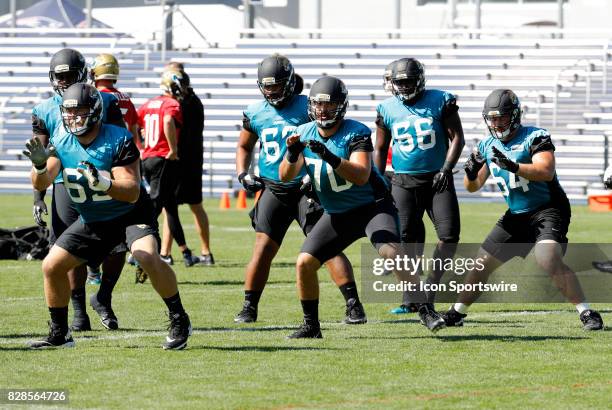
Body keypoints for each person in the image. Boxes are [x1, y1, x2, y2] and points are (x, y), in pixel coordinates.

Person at [25, 83, 192, 349]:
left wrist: (104, 183)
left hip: (129, 214)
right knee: (51, 266)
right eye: (68, 113)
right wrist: (39, 165)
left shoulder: (118, 138)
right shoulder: (62, 140)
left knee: (145, 255)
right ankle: (60, 333)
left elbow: (131, 192)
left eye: (78, 112)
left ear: (94, 112)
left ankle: (179, 317)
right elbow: (42, 182)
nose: (72, 118)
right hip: (93, 219)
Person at [279, 76, 446, 338]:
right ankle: (311, 326)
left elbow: (360, 174)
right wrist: (291, 154)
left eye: (329, 105)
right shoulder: (305, 132)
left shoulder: (356, 131)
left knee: (391, 253)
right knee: (304, 263)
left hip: (372, 208)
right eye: (318, 105)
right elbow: (285, 175)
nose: (323, 111)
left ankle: (425, 309)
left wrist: (330, 157)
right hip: (337, 214)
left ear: (341, 107)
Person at [442, 88, 604, 331]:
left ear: (515, 115)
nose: (496, 123)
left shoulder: (535, 137)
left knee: (547, 258)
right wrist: (470, 171)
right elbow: (473, 186)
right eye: (492, 118)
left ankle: (587, 312)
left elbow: (546, 171)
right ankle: (457, 313)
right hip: (516, 215)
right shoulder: (487, 144)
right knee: (481, 263)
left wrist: (514, 165)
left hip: (548, 209)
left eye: (501, 117)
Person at [234, 55, 366, 325]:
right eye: (267, 86)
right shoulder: (255, 111)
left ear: (291, 82)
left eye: (277, 85)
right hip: (274, 187)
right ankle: (249, 306)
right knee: (262, 248)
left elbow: (331, 132)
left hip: (308, 187)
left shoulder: (309, 106)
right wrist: (242, 173)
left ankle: (353, 304)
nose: (272, 92)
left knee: (326, 248)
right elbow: (245, 146)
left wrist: (315, 175)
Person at [31, 48, 127, 331]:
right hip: (65, 183)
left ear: (83, 74)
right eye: (59, 77)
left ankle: (104, 297)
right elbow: (41, 155)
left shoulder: (105, 101)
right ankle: (78, 310)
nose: (64, 82)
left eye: (70, 76)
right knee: (67, 250)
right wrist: (38, 197)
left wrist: (119, 178)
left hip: (102, 181)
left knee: (118, 247)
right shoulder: (44, 110)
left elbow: (122, 142)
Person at [374, 58, 464, 313]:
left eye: (408, 81)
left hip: (438, 178)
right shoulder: (387, 108)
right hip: (402, 181)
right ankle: (411, 297)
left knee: (449, 236)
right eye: (399, 82)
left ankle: (430, 290)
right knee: (406, 240)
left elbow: (457, 138)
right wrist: (378, 179)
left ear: (420, 80)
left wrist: (446, 168)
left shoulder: (440, 100)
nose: (403, 87)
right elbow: (380, 147)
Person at [137, 70, 200, 267]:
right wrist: (173, 148)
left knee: (170, 207)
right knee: (155, 205)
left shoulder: (148, 104)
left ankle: (185, 252)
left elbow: (138, 126)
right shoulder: (172, 104)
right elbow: (166, 121)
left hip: (148, 158)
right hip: (163, 158)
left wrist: (142, 147)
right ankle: (136, 245)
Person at [159, 62, 213, 265]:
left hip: (178, 160)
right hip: (193, 160)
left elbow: (173, 129)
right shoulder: (195, 101)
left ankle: (165, 253)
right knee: (195, 206)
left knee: (170, 208)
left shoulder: (179, 104)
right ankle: (206, 253)